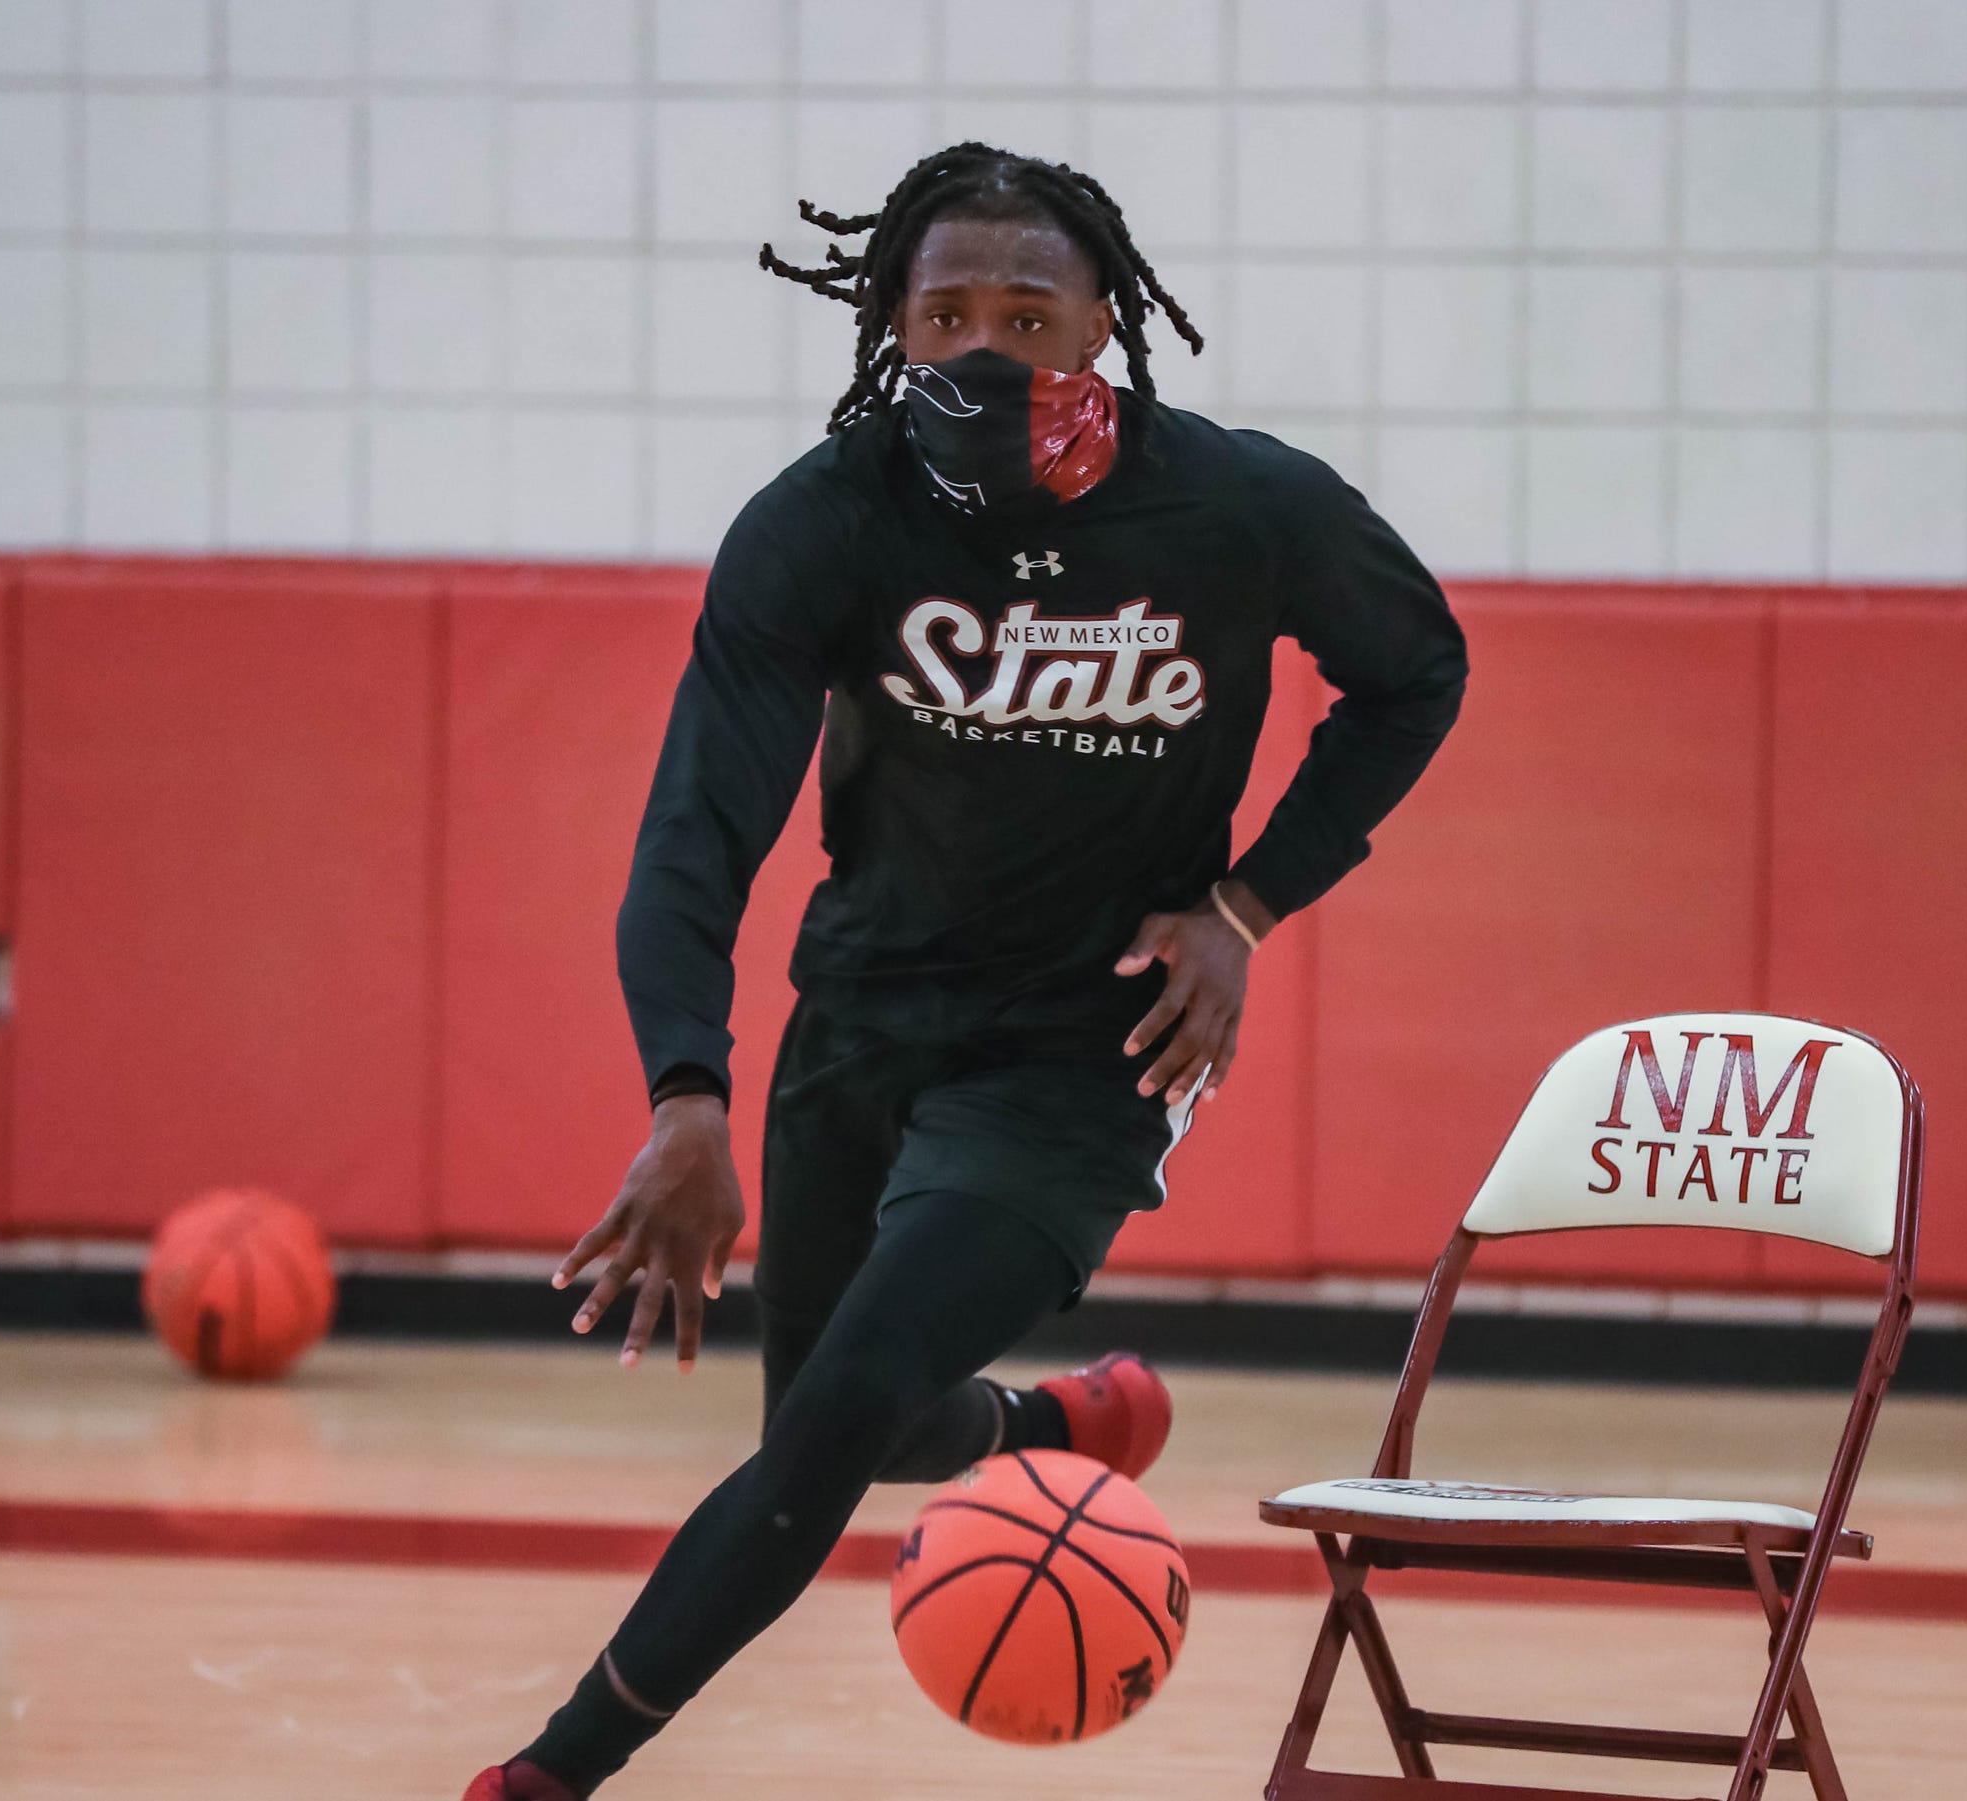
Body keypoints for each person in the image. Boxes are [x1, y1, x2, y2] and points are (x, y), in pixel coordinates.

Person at [467, 141, 1466, 1800]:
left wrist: (1245, 905)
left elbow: (1415, 671)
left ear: (1102, 330)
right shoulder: (826, 520)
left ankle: (548, 1774)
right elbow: (698, 832)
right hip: (862, 1021)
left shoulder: (1235, 506)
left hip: (1089, 1047)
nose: (986, 349)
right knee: (850, 1423)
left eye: (1029, 311)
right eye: (944, 315)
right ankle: (1051, 1429)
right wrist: (687, 1094)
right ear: (894, 330)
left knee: (841, 1408)